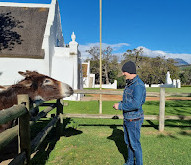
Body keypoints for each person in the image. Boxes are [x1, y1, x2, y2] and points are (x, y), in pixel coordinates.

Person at [113, 61, 146, 165]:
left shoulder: (138, 85)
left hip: (134, 119)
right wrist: (121, 103)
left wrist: (120, 106)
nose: (123, 74)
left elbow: (136, 104)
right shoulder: (130, 83)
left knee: (135, 144)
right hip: (128, 118)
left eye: (124, 72)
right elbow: (130, 100)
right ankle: (130, 162)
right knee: (129, 143)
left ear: (129, 71)